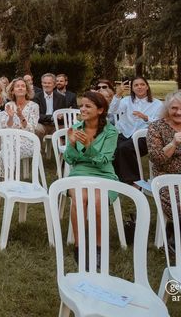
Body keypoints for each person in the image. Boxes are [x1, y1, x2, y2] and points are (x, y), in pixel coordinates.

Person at [63, 91, 119, 270]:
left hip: (103, 172)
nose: (83, 109)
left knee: (97, 201)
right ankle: (79, 245)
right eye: (82, 105)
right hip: (80, 171)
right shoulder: (76, 128)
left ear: (100, 110)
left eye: (88, 106)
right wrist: (71, 144)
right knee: (80, 199)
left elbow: (104, 160)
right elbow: (70, 160)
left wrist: (89, 147)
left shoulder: (111, 132)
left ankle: (98, 246)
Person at [108, 76, 163, 185]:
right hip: (124, 133)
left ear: (147, 86)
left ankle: (133, 180)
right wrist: (118, 95)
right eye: (136, 85)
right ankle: (115, 176)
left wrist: (146, 118)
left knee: (124, 148)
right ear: (132, 88)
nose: (139, 87)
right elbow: (112, 111)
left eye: (142, 84)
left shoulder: (157, 104)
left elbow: (160, 124)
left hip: (144, 136)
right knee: (111, 146)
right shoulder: (126, 101)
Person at [147, 91, 181, 247]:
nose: (178, 112)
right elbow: (156, 158)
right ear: (167, 108)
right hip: (166, 178)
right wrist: (173, 143)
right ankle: (175, 234)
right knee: (178, 202)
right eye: (174, 108)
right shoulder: (156, 127)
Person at [0, 77, 40, 159]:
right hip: (11, 140)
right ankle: (10, 172)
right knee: (5, 151)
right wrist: (10, 117)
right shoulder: (9, 105)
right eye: (17, 86)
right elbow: (7, 127)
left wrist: (21, 116)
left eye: (23, 86)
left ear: (27, 90)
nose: (20, 88)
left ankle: (10, 172)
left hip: (28, 141)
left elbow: (31, 129)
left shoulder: (34, 106)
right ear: (12, 91)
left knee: (8, 151)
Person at [33, 73, 67, 141]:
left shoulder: (61, 98)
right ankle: (39, 151)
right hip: (41, 124)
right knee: (37, 129)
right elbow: (36, 115)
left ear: (54, 85)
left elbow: (62, 113)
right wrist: (52, 117)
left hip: (56, 124)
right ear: (42, 84)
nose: (46, 85)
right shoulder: (36, 97)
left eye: (49, 83)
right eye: (44, 83)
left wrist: (62, 116)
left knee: (66, 130)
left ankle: (58, 151)